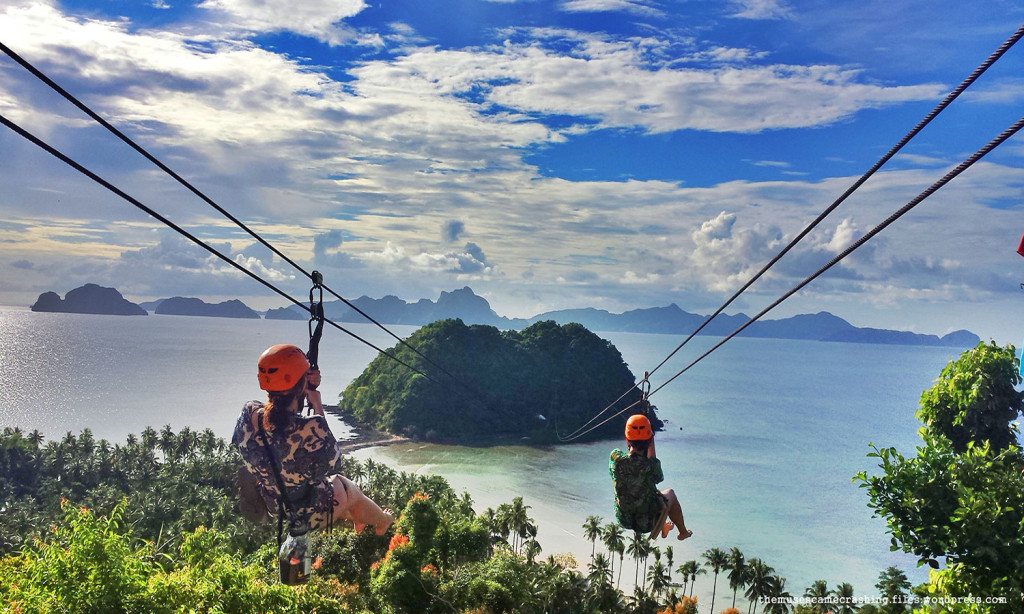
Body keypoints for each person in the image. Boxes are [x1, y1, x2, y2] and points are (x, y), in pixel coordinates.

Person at [232, 343, 394, 537]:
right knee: (347, 488)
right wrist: (317, 405)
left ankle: (359, 518)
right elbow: (334, 461)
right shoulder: (312, 427)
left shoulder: (248, 413)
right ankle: (383, 521)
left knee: (338, 489)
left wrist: (300, 386)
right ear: (301, 385)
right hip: (306, 513)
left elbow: (276, 419)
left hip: (275, 504)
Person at [609, 414, 693, 540]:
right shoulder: (651, 466)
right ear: (649, 440)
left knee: (642, 492)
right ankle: (683, 532)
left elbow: (632, 462)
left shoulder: (616, 459)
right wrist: (651, 442)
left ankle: (664, 526)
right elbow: (658, 477)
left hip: (623, 519)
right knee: (670, 493)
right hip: (646, 523)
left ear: (627, 439)